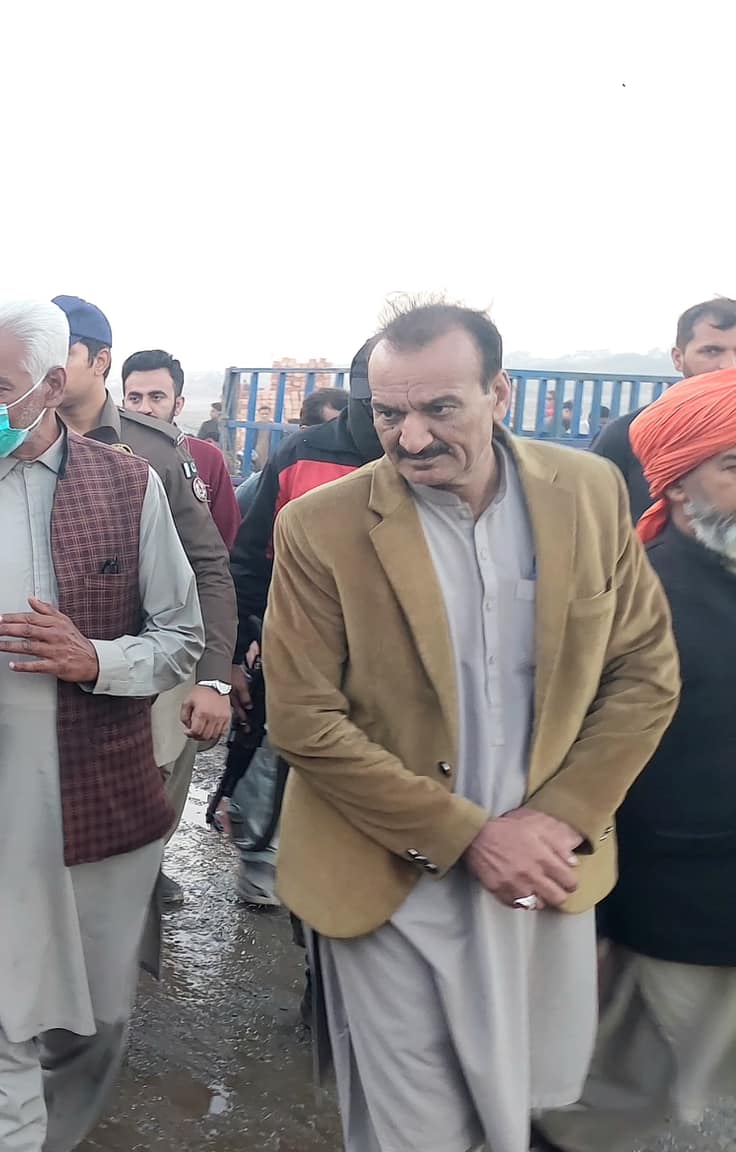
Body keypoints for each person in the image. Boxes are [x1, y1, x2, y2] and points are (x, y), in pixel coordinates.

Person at [261, 302, 679, 1152]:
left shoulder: (589, 493)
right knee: (417, 1133)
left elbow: (644, 672)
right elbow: (303, 718)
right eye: (389, 413)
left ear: (499, 393)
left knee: (527, 1104)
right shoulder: (321, 526)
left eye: (439, 408)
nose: (411, 438)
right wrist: (471, 836)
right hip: (389, 881)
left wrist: (556, 820)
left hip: (542, 875)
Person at [0, 299, 203, 1152]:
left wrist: (97, 660)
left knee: (95, 1022)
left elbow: (181, 638)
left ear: (52, 386)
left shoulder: (129, 486)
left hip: (99, 807)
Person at [535, 370, 736, 1152]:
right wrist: (586, 926)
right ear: (678, 486)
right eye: (733, 465)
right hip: (669, 912)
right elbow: (579, 767)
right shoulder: (639, 598)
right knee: (605, 1104)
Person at [46, 295, 236, 910]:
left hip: (145, 666)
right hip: (45, 667)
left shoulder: (152, 450)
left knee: (139, 812)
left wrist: (214, 678)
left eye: (61, 351)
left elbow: (209, 566)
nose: (45, 364)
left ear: (100, 361)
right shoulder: (18, 441)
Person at [218, 337, 384, 907]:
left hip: (392, 663)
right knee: (274, 751)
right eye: (378, 406)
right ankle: (262, 862)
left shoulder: (433, 457)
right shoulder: (302, 454)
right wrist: (240, 648)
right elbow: (249, 557)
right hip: (297, 651)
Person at [592, 297, 736, 517]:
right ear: (678, 358)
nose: (729, 366)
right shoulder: (626, 436)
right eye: (711, 351)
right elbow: (591, 519)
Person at [120, 349, 241, 547]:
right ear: (123, 403)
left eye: (156, 397)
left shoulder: (207, 458)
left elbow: (225, 534)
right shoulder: (107, 455)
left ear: (178, 405)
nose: (144, 408)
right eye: (135, 398)